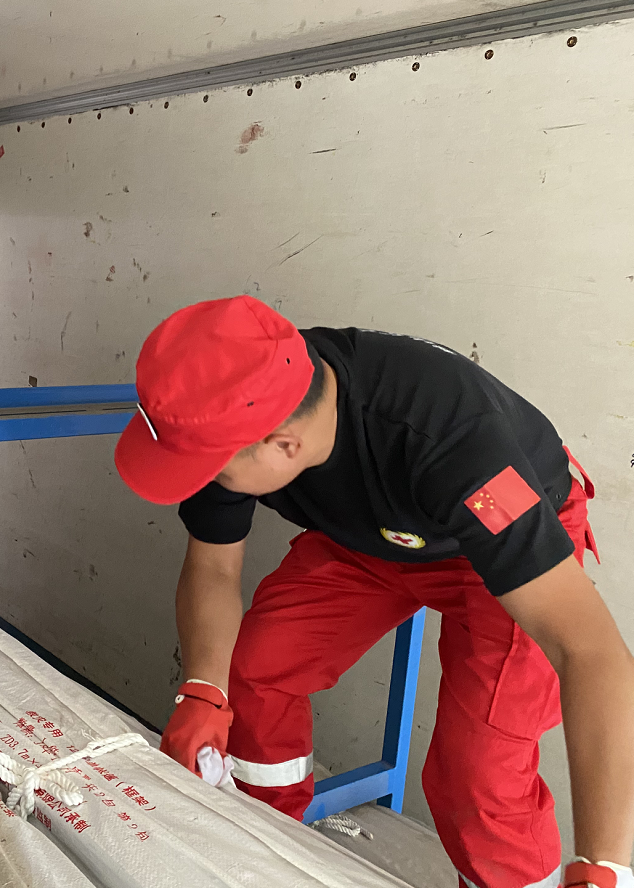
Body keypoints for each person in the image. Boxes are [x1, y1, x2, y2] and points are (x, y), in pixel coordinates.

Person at [115, 296, 634, 888]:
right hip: (371, 536)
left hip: (500, 544)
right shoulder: (241, 396)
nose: (201, 481)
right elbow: (212, 566)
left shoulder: (456, 448)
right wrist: (205, 689)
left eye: (210, 469)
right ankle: (264, 852)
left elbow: (590, 651)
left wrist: (603, 867)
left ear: (284, 445)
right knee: (254, 670)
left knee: (479, 772)